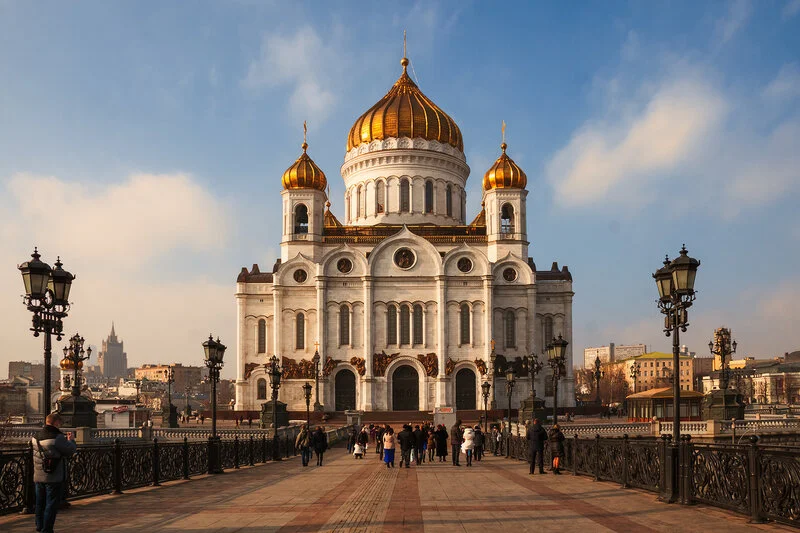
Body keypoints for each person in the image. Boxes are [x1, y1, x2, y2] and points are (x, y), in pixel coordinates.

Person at [32, 413, 76, 533]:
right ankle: (47, 529)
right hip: (53, 475)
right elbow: (70, 450)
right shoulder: (57, 437)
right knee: (51, 504)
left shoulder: (35, 437)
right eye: (59, 423)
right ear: (56, 422)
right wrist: (71, 440)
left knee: (39, 502)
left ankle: (39, 526)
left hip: (38, 475)